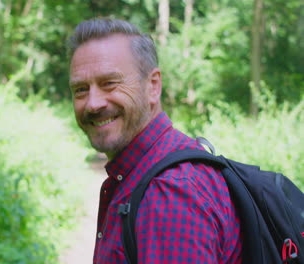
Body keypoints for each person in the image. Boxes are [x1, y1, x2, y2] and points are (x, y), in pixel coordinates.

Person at [67, 18, 242, 263]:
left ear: (153, 86)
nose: (93, 103)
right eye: (81, 89)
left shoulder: (170, 192)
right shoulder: (146, 171)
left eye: (109, 83)